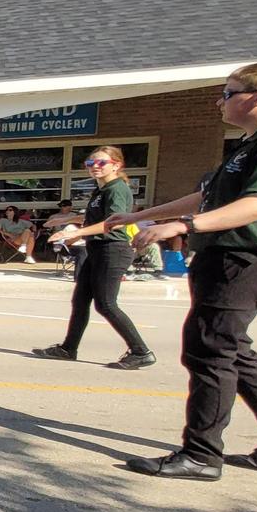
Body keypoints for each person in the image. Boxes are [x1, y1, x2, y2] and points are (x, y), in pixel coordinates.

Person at [114, 61, 257, 479]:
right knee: (229, 347)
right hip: (226, 255)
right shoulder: (254, 142)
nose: (219, 101)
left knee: (208, 349)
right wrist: (143, 215)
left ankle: (201, 454)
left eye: (228, 93)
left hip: (246, 257)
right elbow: (206, 198)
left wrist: (185, 227)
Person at [32, 147, 156, 369]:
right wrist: (67, 221)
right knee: (80, 301)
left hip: (113, 249)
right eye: (91, 164)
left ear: (116, 165)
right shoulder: (101, 190)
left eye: (101, 163)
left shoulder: (117, 189)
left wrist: (75, 232)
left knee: (106, 303)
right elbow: (93, 217)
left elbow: (113, 222)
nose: (95, 167)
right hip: (97, 248)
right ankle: (68, 349)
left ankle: (141, 351)